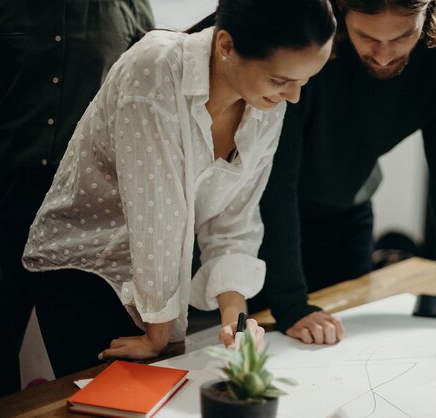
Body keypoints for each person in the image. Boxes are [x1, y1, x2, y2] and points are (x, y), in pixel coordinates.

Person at [21, 0, 336, 379]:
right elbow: (158, 214)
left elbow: (234, 221)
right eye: (281, 81)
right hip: (88, 267)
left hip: (159, 285)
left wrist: (236, 322)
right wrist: (159, 335)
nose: (294, 96)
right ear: (225, 46)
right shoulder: (155, 68)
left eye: (304, 81)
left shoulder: (267, 102)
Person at [255, 0, 436, 345]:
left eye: (404, 36)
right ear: (341, 14)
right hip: (270, 226)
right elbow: (277, 181)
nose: (384, 55)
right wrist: (290, 305)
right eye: (367, 37)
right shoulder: (310, 55)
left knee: (347, 352)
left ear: (430, 13)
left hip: (349, 220)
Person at [0, 0, 154, 397]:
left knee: (94, 364)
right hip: (6, 195)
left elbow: (145, 100)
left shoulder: (129, 8)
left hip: (87, 213)